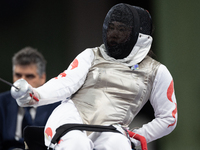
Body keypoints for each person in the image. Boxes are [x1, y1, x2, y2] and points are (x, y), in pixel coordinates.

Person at [11, 3, 177, 150]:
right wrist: (35, 95)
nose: (113, 34)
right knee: (77, 144)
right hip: (71, 118)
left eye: (121, 30)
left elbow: (168, 117)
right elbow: (65, 82)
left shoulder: (157, 72)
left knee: (118, 145)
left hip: (111, 128)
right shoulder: (91, 55)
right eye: (111, 27)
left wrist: (135, 136)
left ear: (140, 37)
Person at [0, 47, 61, 150]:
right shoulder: (2, 102)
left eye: (29, 76)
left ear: (43, 78)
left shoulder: (56, 105)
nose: (21, 83)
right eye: (18, 75)